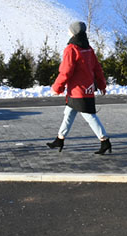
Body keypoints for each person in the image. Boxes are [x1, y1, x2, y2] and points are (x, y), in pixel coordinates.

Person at [46, 21, 111, 154]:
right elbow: (97, 68)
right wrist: (102, 84)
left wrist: (57, 87)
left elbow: (66, 71)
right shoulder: (88, 48)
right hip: (85, 89)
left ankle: (105, 141)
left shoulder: (71, 49)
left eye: (70, 30)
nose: (68, 31)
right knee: (68, 114)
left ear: (74, 32)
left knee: (89, 117)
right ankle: (60, 139)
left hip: (78, 91)